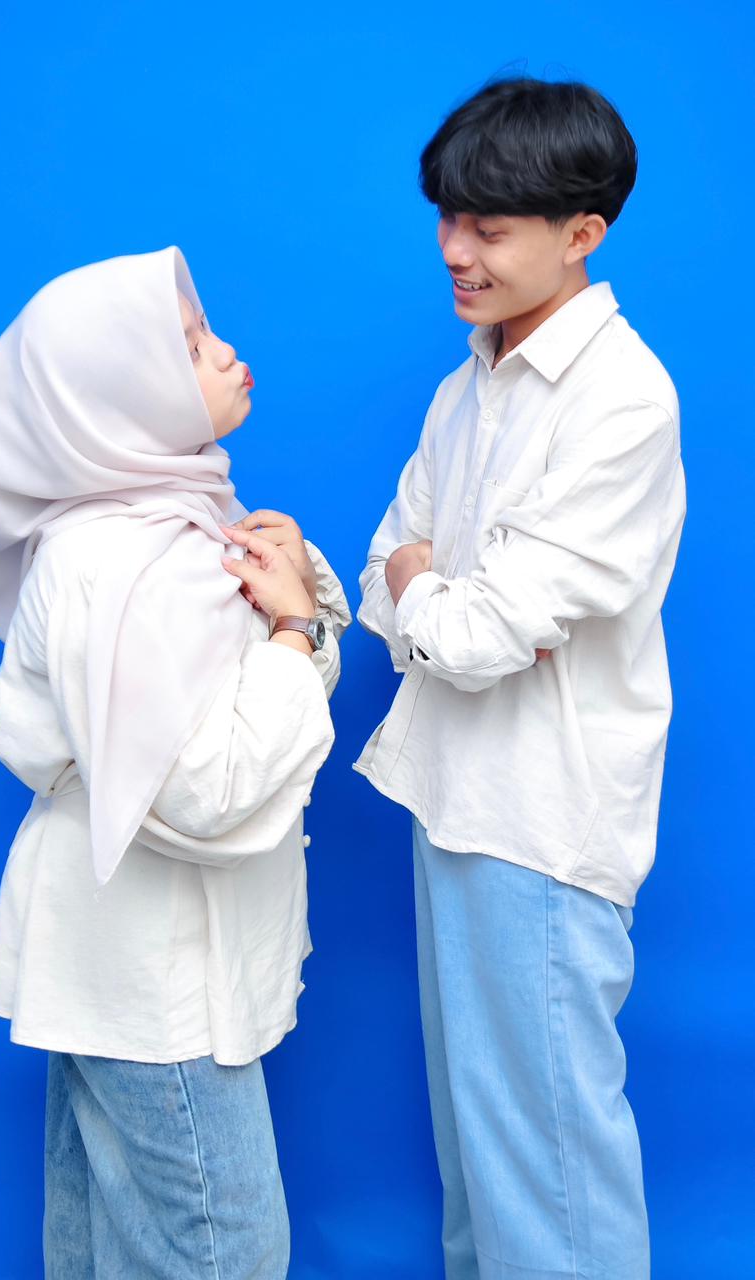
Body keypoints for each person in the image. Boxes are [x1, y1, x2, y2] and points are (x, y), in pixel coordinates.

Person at [0, 245, 350, 1279]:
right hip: (153, 979)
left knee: (108, 1245)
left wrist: (297, 610)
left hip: (127, 969)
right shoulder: (123, 564)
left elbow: (242, 703)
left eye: (205, 329)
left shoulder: (173, 527)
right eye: (186, 346)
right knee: (221, 1251)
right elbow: (205, 788)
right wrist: (295, 630)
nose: (224, 351)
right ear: (116, 395)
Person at [355, 78, 685, 1280]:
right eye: (448, 218)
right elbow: (384, 577)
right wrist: (432, 596)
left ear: (581, 232)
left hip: (544, 818)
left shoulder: (621, 398)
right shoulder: (465, 388)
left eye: (487, 228)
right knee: (480, 1160)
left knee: (549, 1177)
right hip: (451, 792)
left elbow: (476, 631)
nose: (455, 250)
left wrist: (438, 596)